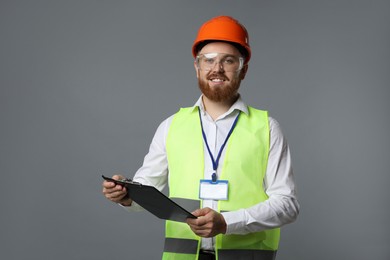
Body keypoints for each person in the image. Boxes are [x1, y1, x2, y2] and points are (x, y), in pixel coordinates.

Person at [102, 15, 299, 260]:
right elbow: (148, 190)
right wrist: (127, 195)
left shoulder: (267, 129)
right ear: (197, 67)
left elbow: (287, 205)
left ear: (243, 69)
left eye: (228, 61)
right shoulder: (171, 126)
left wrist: (227, 222)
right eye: (209, 60)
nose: (217, 69)